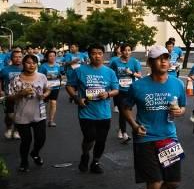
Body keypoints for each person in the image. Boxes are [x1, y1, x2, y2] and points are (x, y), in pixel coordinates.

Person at [122, 46, 186, 189]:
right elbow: (125, 108)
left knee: (173, 182)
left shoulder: (177, 84)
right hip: (146, 139)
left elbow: (182, 107)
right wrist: (134, 125)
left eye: (166, 58)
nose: (163, 62)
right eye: (159, 59)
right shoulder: (138, 86)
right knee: (155, 182)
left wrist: (180, 112)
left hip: (169, 138)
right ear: (150, 63)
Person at [65, 44, 120, 174]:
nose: (97, 56)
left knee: (101, 140)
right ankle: (85, 154)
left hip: (104, 113)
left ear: (103, 55)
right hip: (86, 111)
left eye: (99, 53)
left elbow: (116, 90)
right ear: (89, 55)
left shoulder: (109, 72)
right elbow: (69, 86)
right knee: (89, 137)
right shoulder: (79, 70)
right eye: (94, 53)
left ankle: (95, 161)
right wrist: (76, 98)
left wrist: (107, 94)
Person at [6, 54, 49, 171]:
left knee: (41, 139)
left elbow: (47, 89)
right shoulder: (15, 79)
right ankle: (24, 162)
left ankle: (35, 153)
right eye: (29, 62)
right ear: (23, 64)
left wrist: (44, 95)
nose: (32, 65)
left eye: (34, 63)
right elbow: (9, 97)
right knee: (26, 141)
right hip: (22, 115)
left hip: (39, 114)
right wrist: (21, 93)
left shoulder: (42, 77)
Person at [109, 43, 143, 143]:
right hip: (119, 90)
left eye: (129, 50)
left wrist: (131, 73)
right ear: (121, 51)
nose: (127, 52)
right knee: (123, 110)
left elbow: (140, 75)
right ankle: (124, 133)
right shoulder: (115, 62)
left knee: (127, 111)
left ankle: (121, 129)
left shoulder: (134, 62)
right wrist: (113, 83)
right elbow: (110, 73)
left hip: (131, 90)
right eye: (125, 50)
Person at [1, 48, 24, 139]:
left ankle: (16, 130)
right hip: (9, 95)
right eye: (15, 57)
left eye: (20, 57)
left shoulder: (24, 68)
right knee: (10, 115)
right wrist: (1, 91)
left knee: (20, 114)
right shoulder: (5, 70)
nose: (18, 59)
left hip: (22, 96)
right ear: (11, 58)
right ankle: (9, 128)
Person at [38, 50, 63, 127]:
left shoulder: (58, 66)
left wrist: (61, 79)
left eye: (53, 56)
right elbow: (40, 77)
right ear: (47, 57)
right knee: (44, 104)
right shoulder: (43, 66)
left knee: (53, 102)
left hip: (55, 87)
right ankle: (41, 119)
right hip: (45, 88)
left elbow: (60, 75)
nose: (52, 57)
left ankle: (51, 120)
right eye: (50, 56)